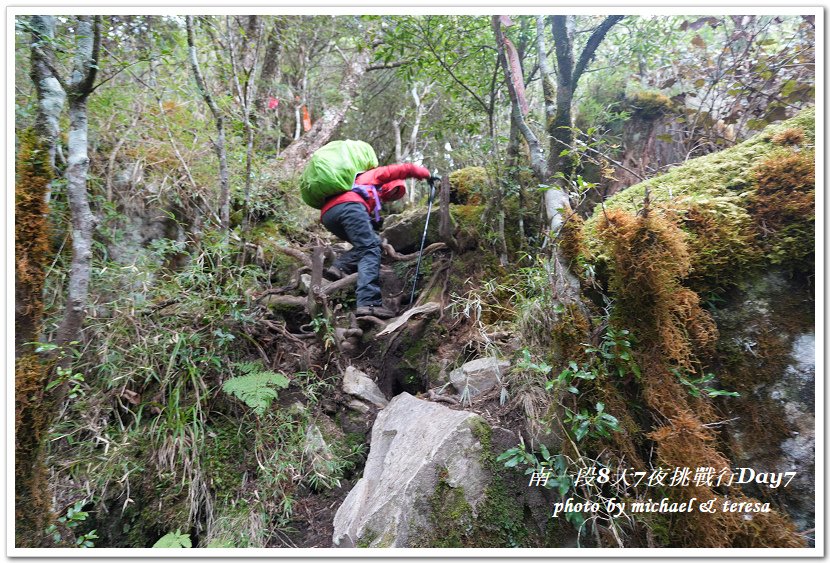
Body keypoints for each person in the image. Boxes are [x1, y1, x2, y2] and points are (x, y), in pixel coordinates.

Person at [320, 162, 432, 319]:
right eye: (394, 191)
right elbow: (394, 170)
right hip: (349, 207)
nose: (392, 196)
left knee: (371, 243)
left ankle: (339, 267)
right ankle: (368, 303)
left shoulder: (358, 184)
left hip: (329, 215)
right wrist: (419, 171)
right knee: (370, 250)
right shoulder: (372, 175)